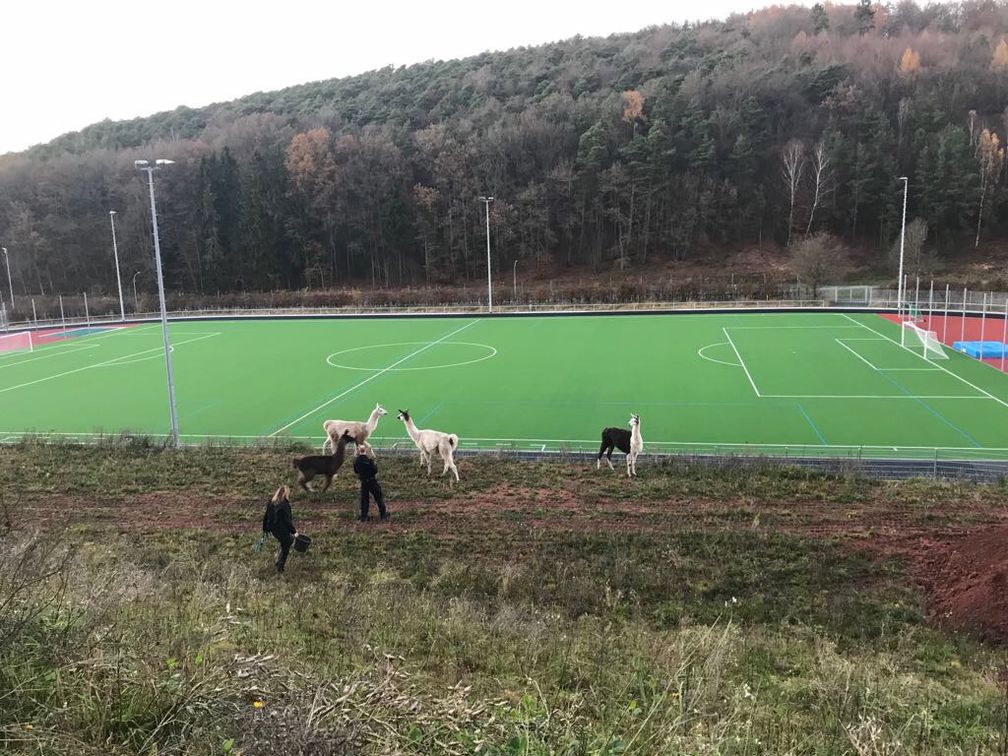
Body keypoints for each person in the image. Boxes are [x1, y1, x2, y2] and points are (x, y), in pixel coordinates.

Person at [262, 485, 298, 573]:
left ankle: (278, 560)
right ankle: (280, 566)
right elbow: (287, 520)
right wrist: (294, 531)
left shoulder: (272, 502)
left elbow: (266, 516)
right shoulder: (284, 504)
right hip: (282, 530)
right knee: (287, 544)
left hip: (273, 529)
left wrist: (265, 528)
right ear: (286, 494)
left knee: (284, 543)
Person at [353, 443, 388, 522]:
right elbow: (375, 470)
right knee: (379, 497)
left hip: (363, 483)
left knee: (364, 499)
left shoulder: (356, 461)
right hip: (372, 481)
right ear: (365, 450)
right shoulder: (370, 461)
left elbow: (356, 471)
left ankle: (364, 516)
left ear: (358, 451)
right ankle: (383, 515)